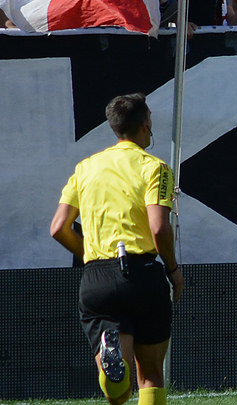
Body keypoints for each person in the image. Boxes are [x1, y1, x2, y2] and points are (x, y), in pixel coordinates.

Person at [49, 93, 180, 405]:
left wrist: (88, 256)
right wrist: (173, 270)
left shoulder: (86, 168)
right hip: (144, 274)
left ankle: (112, 372)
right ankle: (115, 371)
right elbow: (159, 227)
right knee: (150, 376)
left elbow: (58, 228)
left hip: (99, 276)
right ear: (146, 126)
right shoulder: (155, 168)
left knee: (118, 394)